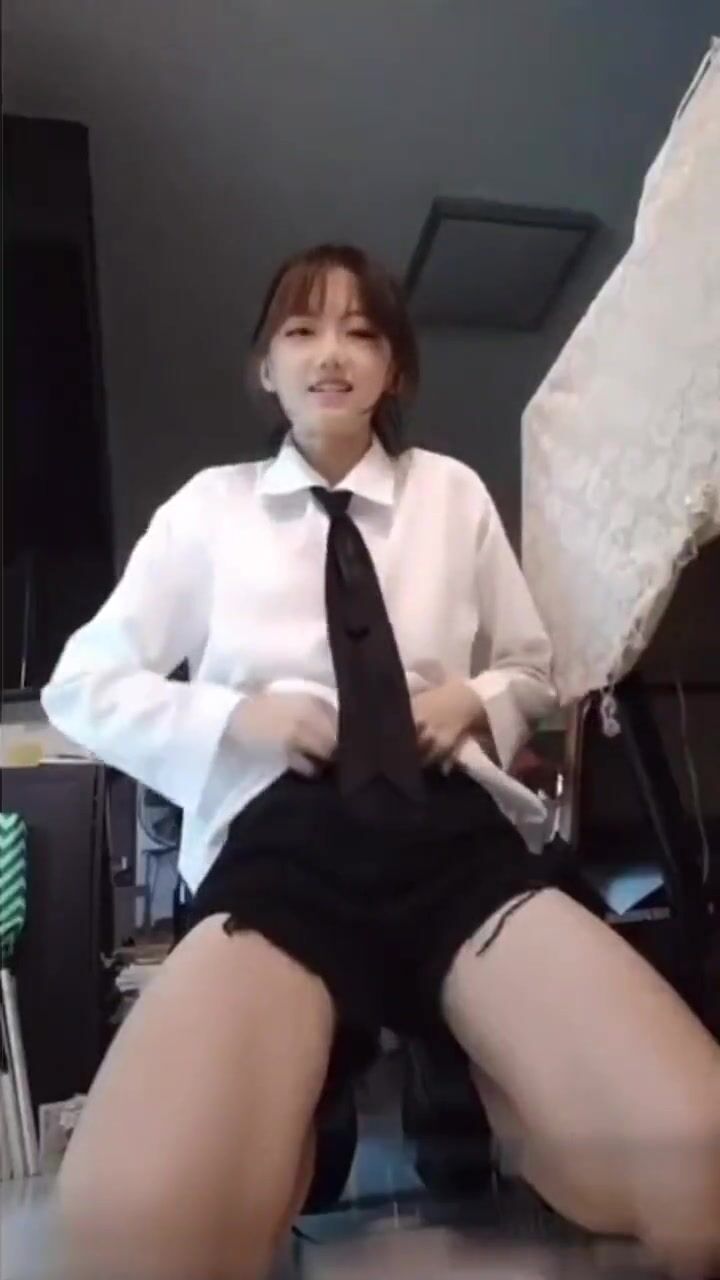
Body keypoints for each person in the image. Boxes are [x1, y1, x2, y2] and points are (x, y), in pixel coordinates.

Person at [42, 244, 720, 1280]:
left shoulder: (452, 494)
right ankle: (319, 1086)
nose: (332, 353)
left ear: (394, 368)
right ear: (264, 366)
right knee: (132, 1236)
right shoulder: (207, 510)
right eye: (302, 330)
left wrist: (474, 700)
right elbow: (81, 684)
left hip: (451, 836)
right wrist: (236, 717)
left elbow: (534, 668)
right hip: (285, 846)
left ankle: (469, 1062)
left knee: (702, 1175)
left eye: (362, 332)